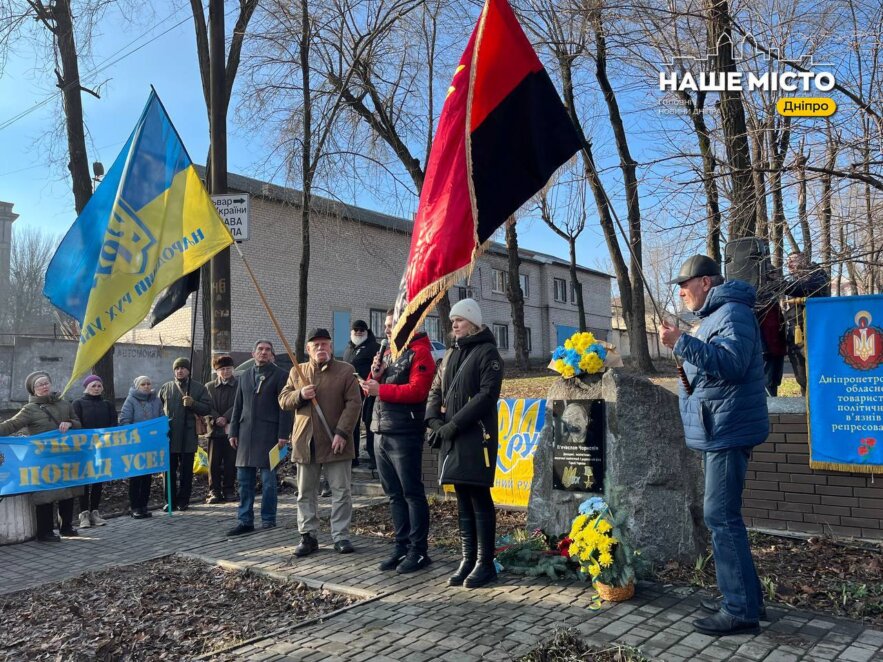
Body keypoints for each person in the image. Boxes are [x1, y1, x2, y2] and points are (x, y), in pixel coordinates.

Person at [661, 254, 768, 636]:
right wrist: (684, 344)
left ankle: (740, 609)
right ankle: (746, 598)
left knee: (721, 518)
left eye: (684, 283)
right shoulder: (716, 317)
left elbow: (733, 365)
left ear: (706, 282)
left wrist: (682, 343)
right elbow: (710, 371)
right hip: (717, 429)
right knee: (724, 517)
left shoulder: (733, 313)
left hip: (726, 430)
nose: (681, 291)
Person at [426, 299, 503, 588]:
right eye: (453, 321)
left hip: (475, 435)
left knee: (478, 496)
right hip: (451, 435)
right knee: (461, 497)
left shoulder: (488, 353)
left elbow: (487, 396)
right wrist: (434, 422)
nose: (454, 324)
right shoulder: (450, 355)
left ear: (473, 322)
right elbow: (436, 389)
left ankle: (485, 562)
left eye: (459, 319)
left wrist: (454, 424)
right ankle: (467, 558)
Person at [362, 310, 435, 573]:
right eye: (386, 326)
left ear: (411, 326)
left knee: (412, 493)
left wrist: (380, 388)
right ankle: (401, 546)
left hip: (405, 432)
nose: (388, 330)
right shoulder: (390, 353)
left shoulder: (420, 352)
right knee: (394, 495)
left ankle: (419, 550)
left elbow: (418, 391)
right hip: (381, 429)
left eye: (393, 325)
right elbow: (370, 388)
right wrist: (376, 375)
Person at [279, 328, 362, 556]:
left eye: (324, 344)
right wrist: (300, 395)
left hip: (336, 442)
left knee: (341, 492)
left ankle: (341, 536)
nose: (320, 349)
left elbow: (354, 404)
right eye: (316, 345)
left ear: (331, 347)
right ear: (308, 349)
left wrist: (342, 433)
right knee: (305, 493)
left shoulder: (346, 371)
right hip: (306, 442)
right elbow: (283, 400)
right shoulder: (298, 372)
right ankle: (308, 536)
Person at [0, 372, 82, 541]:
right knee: (46, 495)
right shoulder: (30, 409)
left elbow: (78, 423)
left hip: (65, 456)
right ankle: (44, 532)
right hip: (43, 459)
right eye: (39, 385)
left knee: (68, 491)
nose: (44, 386)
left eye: (46, 383)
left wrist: (71, 423)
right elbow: (12, 425)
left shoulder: (64, 403)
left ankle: (66, 527)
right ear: (33, 390)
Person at [227, 340, 292, 535]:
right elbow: (238, 405)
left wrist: (283, 434)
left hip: (270, 435)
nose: (263, 353)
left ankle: (268, 519)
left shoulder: (281, 375)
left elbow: (285, 408)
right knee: (244, 481)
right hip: (245, 435)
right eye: (260, 349)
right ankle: (245, 520)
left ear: (272, 354)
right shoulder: (244, 376)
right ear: (252, 353)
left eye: (267, 350)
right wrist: (233, 432)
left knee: (269, 481)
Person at [158, 357, 212, 511]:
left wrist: (193, 403)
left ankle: (184, 500)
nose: (179, 371)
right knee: (168, 470)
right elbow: (158, 409)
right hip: (170, 435)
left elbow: (207, 408)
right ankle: (169, 500)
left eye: (183, 368)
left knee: (186, 471)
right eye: (177, 368)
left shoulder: (199, 388)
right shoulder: (166, 387)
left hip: (188, 435)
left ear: (188, 370)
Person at [72, 375, 117, 528]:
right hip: (85, 448)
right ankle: (84, 514)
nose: (96, 388)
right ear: (86, 387)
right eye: (93, 386)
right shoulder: (78, 403)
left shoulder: (108, 404)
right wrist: (91, 438)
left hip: (102, 447)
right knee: (85, 480)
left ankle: (95, 512)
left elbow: (113, 424)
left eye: (99, 386)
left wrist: (103, 439)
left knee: (98, 479)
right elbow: (77, 424)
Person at [783, 251, 830, 395]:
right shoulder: (795, 279)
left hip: (812, 335)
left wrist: (781, 285)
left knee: (816, 378)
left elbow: (806, 288)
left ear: (804, 260)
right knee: (802, 379)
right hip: (795, 335)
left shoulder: (817, 276)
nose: (789, 264)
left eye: (793, 260)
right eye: (788, 261)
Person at [119, 375, 164, 519]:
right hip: (136, 444)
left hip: (151, 444)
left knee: (147, 476)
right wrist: (136, 432)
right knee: (136, 476)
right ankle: (135, 507)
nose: (146, 386)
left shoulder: (156, 400)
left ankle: (144, 505)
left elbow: (161, 417)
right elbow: (124, 420)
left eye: (148, 384)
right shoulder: (131, 400)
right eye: (143, 384)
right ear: (137, 386)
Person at [342, 319, 380, 468]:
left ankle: (374, 458)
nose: (358, 332)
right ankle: (353, 456)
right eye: (356, 330)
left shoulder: (374, 347)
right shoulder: (348, 348)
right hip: (351, 392)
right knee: (352, 423)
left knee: (370, 422)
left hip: (369, 391)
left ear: (366, 331)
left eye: (361, 330)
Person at [205, 355, 238, 504]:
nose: (225, 372)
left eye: (228, 369)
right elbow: (207, 405)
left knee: (231, 461)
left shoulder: (239, 385)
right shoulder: (209, 387)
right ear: (216, 371)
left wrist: (226, 417)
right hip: (214, 429)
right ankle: (214, 491)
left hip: (232, 429)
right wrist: (216, 418)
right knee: (213, 463)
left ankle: (229, 490)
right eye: (222, 369)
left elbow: (240, 404)